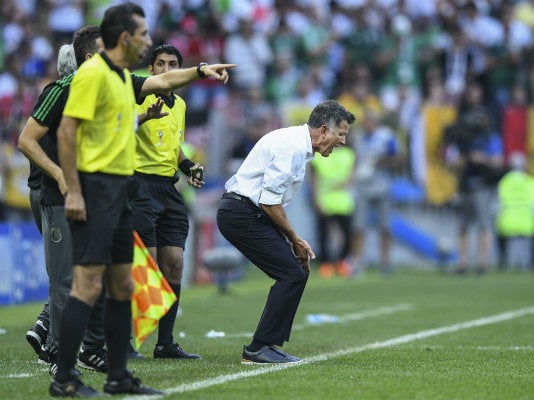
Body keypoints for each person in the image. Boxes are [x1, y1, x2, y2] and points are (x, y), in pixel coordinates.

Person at [53, 3, 234, 396]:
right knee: (86, 285)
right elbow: (67, 133)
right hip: (96, 190)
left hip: (122, 193)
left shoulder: (122, 79)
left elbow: (164, 85)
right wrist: (75, 190)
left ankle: (118, 376)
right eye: (144, 36)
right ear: (125, 38)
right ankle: (64, 378)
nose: (149, 42)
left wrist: (202, 70)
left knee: (122, 286)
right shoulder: (93, 76)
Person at [216, 99, 355, 364]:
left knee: (296, 270)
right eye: (342, 134)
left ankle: (267, 344)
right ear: (324, 130)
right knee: (291, 273)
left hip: (249, 213)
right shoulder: (291, 147)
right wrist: (294, 238)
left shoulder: (297, 145)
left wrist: (292, 242)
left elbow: (271, 203)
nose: (343, 141)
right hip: (241, 213)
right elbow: (269, 201)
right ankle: (258, 348)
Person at [18, 29, 109, 375]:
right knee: (65, 277)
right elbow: (27, 142)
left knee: (88, 273)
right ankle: (59, 351)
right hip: (54, 196)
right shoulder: (59, 91)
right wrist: (58, 175)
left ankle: (65, 340)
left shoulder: (99, 94)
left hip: (85, 196)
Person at [130, 44, 202, 359]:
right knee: (144, 270)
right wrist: (146, 116)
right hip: (139, 186)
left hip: (169, 191)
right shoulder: (138, 97)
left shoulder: (181, 106)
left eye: (173, 63)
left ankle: (165, 343)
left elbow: (175, 149)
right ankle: (123, 343)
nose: (167, 69)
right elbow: (121, 132)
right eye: (160, 63)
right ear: (151, 70)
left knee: (174, 264)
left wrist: (189, 167)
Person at [443, 82, 503, 274]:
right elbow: (450, 159)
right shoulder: (462, 139)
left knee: (484, 224)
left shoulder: (490, 138)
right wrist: (461, 160)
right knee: (463, 224)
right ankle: (462, 262)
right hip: (465, 183)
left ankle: (482, 263)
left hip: (483, 183)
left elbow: (498, 160)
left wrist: (481, 158)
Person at [351, 109, 404, 275]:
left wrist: (381, 162)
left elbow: (399, 159)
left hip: (382, 185)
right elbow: (355, 159)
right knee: (358, 226)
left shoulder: (386, 136)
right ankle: (358, 262)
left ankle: (385, 262)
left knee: (385, 226)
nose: (366, 124)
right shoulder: (358, 137)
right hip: (362, 186)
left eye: (369, 121)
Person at [309, 144, 356, 278]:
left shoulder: (348, 154)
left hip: (343, 200)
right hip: (324, 199)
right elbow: (314, 180)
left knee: (347, 234)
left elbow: (352, 175)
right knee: (323, 234)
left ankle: (342, 261)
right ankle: (326, 264)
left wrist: (345, 183)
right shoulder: (319, 155)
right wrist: (316, 199)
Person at [495, 152, 534, 271]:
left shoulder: (503, 183)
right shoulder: (532, 182)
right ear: (524, 167)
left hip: (507, 225)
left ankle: (503, 260)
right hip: (528, 225)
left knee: (497, 227)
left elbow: (496, 207)